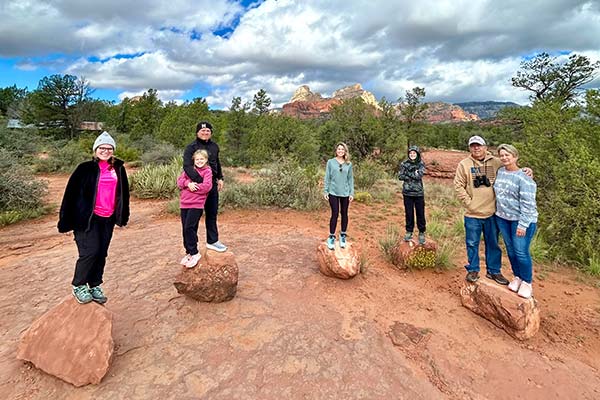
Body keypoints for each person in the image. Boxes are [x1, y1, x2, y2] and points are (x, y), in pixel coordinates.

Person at [58, 131, 130, 304]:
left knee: (101, 253)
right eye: (102, 147)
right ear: (95, 149)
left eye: (109, 148)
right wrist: (66, 222)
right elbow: (70, 194)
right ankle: (79, 285)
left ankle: (95, 284)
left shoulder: (119, 169)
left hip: (108, 217)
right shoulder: (84, 169)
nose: (105, 151)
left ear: (113, 149)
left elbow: (124, 194)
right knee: (89, 252)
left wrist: (123, 215)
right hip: (86, 218)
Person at [454, 135, 509, 285]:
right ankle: (473, 269)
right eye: (473, 146)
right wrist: (469, 203)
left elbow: (512, 167)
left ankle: (494, 271)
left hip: (492, 212)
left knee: (493, 243)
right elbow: (458, 185)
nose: (476, 148)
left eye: (479, 145)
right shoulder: (464, 164)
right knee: (472, 243)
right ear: (469, 148)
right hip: (472, 213)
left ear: (485, 147)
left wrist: (527, 170)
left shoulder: (496, 162)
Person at [494, 144, 538, 299]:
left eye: (508, 155)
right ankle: (517, 277)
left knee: (521, 251)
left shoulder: (524, 177)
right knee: (511, 250)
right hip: (503, 218)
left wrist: (523, 224)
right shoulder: (500, 172)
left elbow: (529, 204)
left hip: (521, 221)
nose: (505, 158)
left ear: (515, 157)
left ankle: (527, 282)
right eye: (502, 155)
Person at [183, 121, 227, 252]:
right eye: (202, 131)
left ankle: (212, 241)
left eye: (208, 130)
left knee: (212, 213)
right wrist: (201, 182)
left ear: (211, 133)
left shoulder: (214, 146)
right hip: (196, 188)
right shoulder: (191, 147)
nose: (205, 132)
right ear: (197, 132)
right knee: (193, 219)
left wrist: (220, 177)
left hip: (212, 185)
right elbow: (187, 166)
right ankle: (191, 249)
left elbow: (216, 163)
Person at [177, 149, 213, 268]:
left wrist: (194, 187)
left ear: (206, 160)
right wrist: (188, 184)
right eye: (197, 159)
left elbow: (207, 187)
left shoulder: (207, 171)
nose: (199, 161)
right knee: (185, 229)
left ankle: (195, 253)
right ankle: (189, 252)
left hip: (196, 204)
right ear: (194, 160)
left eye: (202, 159)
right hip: (184, 203)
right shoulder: (189, 170)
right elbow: (180, 182)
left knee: (189, 228)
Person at [323, 142, 355, 250]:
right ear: (336, 151)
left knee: (344, 213)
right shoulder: (330, 162)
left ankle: (343, 236)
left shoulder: (348, 164)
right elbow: (327, 177)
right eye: (339, 149)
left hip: (345, 193)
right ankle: (331, 236)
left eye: (342, 149)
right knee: (335, 213)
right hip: (333, 192)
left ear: (345, 151)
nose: (340, 151)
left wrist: (351, 193)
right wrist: (326, 191)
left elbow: (350, 179)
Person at [398, 145, 427, 245]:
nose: (412, 155)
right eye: (410, 153)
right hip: (407, 193)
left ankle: (422, 232)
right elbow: (400, 176)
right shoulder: (404, 163)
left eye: (414, 153)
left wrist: (408, 173)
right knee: (409, 213)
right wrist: (413, 173)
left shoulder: (421, 164)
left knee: (420, 213)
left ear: (417, 154)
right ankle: (409, 231)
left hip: (418, 193)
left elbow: (419, 175)